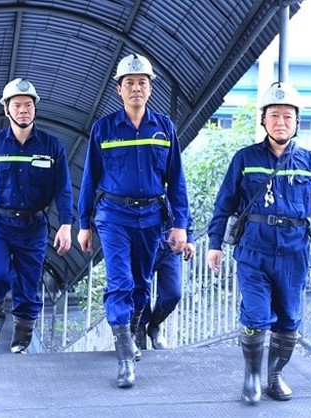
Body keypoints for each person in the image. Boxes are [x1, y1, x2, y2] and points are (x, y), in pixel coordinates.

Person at [206, 81, 311, 405]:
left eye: (287, 116)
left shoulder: (310, 163)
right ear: (263, 120)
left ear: (297, 122)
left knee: (288, 319)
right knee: (255, 315)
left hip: (294, 254)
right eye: (274, 115)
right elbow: (224, 203)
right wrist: (214, 243)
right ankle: (252, 376)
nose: (281, 122)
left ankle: (274, 375)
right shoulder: (245, 159)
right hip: (254, 252)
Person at [77, 53, 190, 389]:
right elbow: (89, 178)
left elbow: (176, 180)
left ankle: (137, 328)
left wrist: (181, 225)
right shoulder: (103, 129)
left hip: (152, 217)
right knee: (121, 281)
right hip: (113, 216)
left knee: (141, 284)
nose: (136, 88)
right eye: (130, 83)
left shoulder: (164, 128)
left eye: (142, 82)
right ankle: (125, 358)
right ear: (119, 89)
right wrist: (84, 223)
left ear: (150, 88)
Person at [0, 78, 73, 355]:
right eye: (17, 105)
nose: (23, 110)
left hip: (34, 225)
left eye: (28, 105)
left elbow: (63, 189)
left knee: (28, 283)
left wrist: (66, 224)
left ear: (35, 109)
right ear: (6, 109)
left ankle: (23, 332)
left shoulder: (52, 147)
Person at [135, 221, 195, 350]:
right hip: (143, 243)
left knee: (173, 293)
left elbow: (183, 211)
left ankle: (154, 326)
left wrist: (189, 237)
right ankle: (139, 329)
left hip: (170, 245)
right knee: (140, 290)